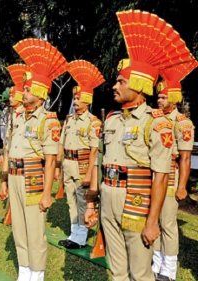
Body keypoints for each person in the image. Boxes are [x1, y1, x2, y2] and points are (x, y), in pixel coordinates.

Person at [83, 10, 194, 281]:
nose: (115, 86)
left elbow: (160, 176)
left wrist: (153, 220)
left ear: (140, 85)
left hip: (136, 201)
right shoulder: (111, 119)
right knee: (117, 270)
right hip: (108, 199)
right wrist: (91, 203)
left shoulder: (156, 124)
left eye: (121, 81)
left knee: (141, 273)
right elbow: (101, 163)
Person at [0, 38, 67, 281]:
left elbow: (50, 160)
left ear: (39, 93)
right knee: (18, 228)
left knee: (35, 230)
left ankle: (36, 274)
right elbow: (9, 151)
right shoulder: (19, 117)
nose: (22, 92)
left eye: (27, 89)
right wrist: (5, 181)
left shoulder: (47, 120)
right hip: (16, 177)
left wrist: (48, 193)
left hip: (33, 179)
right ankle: (24, 271)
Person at [152, 60, 198, 281]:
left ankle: (169, 269)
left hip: (170, 178)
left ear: (174, 97)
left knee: (167, 222)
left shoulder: (182, 123)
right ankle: (157, 261)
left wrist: (182, 187)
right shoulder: (154, 119)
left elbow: (186, 158)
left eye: (162, 97)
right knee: (154, 219)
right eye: (158, 97)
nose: (159, 100)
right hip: (153, 177)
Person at [55, 60, 104, 249]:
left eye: (78, 99)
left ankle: (81, 236)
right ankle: (74, 232)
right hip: (68, 163)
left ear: (87, 101)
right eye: (74, 99)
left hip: (83, 165)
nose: (74, 102)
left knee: (83, 200)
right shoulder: (69, 121)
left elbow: (94, 151)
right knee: (70, 199)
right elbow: (61, 143)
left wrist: (90, 173)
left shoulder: (94, 122)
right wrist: (58, 166)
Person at [0, 63, 26, 224]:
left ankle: (13, 213)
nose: (10, 98)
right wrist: (4, 154)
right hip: (10, 152)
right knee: (7, 181)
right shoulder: (12, 114)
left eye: (12, 95)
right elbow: (8, 138)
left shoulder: (22, 114)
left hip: (21, 158)